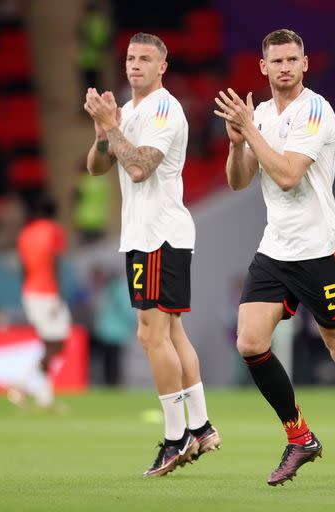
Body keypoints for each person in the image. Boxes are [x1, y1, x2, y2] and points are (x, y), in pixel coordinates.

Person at [213, 29, 335, 489]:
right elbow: (239, 181)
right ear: (263, 67)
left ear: (304, 64)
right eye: (276, 61)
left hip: (320, 248)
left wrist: (252, 131)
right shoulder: (258, 114)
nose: (284, 67)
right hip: (276, 248)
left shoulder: (315, 110)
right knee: (250, 343)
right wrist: (238, 142)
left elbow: (288, 176)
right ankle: (300, 438)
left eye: (292, 59)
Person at [84, 32, 220, 477]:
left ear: (163, 66)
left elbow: (140, 168)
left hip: (157, 235)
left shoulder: (164, 108)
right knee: (172, 333)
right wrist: (104, 126)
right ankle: (200, 426)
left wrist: (115, 126)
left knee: (150, 335)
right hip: (150, 234)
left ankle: (177, 438)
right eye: (130, 57)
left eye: (145, 59)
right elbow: (97, 165)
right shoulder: (129, 108)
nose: (135, 65)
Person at [10, 198, 70, 409]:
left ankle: (45, 396)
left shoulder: (26, 233)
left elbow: (22, 266)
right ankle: (21, 384)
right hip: (47, 292)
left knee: (49, 343)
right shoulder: (53, 230)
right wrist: (57, 292)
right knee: (58, 343)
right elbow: (55, 261)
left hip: (30, 291)